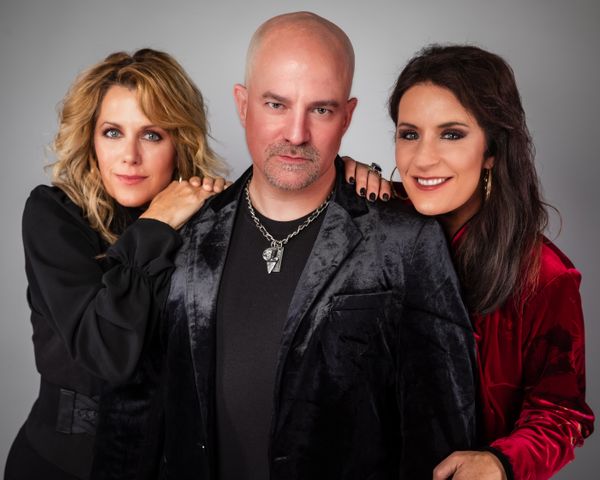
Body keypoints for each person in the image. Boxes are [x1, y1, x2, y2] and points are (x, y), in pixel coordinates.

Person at [157, 12, 476, 479]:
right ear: (243, 105)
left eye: (321, 110)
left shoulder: (405, 241)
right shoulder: (186, 230)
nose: (296, 133)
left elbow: (442, 432)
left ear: (347, 116)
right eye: (276, 104)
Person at [346, 44, 595, 480]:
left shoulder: (543, 275)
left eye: (452, 134)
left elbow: (562, 412)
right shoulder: (371, 217)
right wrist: (336, 179)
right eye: (409, 134)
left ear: (492, 149)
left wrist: (500, 462)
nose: (423, 159)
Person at [4, 49, 226, 480]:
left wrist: (346, 175)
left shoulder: (209, 220)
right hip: (57, 467)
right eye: (112, 132)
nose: (129, 156)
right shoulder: (53, 216)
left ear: (180, 143)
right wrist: (157, 223)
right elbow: (106, 351)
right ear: (91, 139)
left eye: (152, 135)